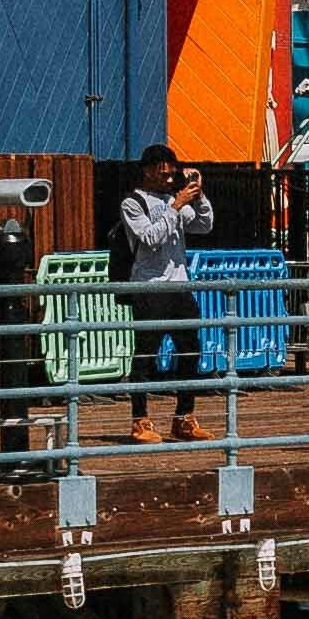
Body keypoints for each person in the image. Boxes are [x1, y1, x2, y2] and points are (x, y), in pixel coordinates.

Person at [112, 148, 212, 438]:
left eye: (172, 173)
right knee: (145, 354)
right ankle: (140, 419)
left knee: (190, 351)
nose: (169, 178)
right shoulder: (133, 202)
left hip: (180, 285)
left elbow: (204, 225)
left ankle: (184, 416)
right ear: (147, 170)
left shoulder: (172, 200)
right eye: (163, 173)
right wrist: (175, 206)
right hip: (150, 286)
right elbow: (150, 238)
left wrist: (199, 196)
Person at [0, 184, 45, 466]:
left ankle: (16, 445)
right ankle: (14, 446)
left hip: (12, 299)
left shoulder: (3, 241)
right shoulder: (13, 241)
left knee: (15, 358)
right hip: (10, 299)